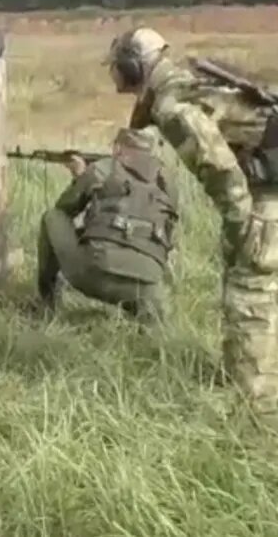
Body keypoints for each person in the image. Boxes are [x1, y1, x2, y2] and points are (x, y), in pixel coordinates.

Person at [109, 25, 278, 430]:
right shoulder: (190, 82)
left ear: (134, 66)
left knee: (250, 295)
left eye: (119, 68)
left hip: (266, 195)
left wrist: (245, 227)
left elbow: (219, 169)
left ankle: (256, 418)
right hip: (266, 185)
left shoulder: (173, 105)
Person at [37, 127, 178, 324]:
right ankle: (138, 309)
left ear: (118, 148)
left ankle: (47, 302)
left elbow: (64, 209)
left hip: (94, 273)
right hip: (146, 287)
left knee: (52, 217)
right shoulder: (166, 180)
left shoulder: (102, 168)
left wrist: (81, 178)